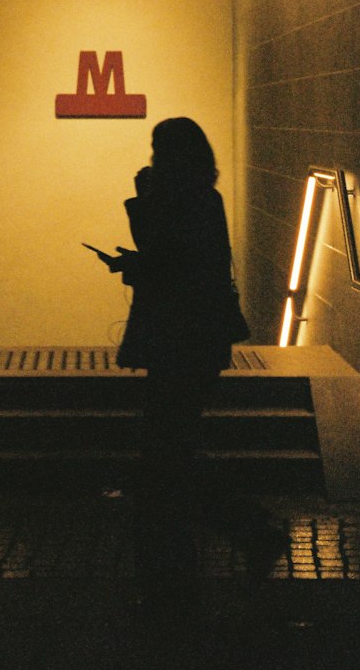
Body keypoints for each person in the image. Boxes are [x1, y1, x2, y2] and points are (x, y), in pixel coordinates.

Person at [95, 117, 286, 612]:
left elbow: (165, 257)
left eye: (159, 148)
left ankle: (240, 530)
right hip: (197, 337)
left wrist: (140, 206)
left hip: (179, 335)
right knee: (173, 444)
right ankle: (235, 532)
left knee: (168, 448)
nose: (153, 155)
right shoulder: (205, 196)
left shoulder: (181, 198)